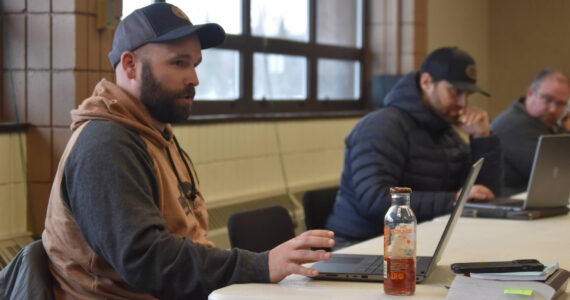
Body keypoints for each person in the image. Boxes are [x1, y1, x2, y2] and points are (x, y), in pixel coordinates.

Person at [41, 3, 333, 299]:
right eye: (179, 63)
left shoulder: (156, 134)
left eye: (195, 64)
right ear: (130, 65)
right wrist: (259, 265)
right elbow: (148, 260)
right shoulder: (106, 144)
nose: (194, 78)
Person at [325, 47, 503, 248]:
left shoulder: (445, 131)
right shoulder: (382, 126)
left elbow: (483, 194)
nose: (463, 103)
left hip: (416, 240)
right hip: (361, 244)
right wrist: (452, 200)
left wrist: (482, 139)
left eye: (467, 94)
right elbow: (375, 200)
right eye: (455, 92)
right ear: (426, 82)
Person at [490, 68, 570, 195]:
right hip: (508, 203)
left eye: (561, 104)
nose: (553, 109)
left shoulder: (546, 123)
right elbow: (554, 175)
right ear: (530, 93)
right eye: (547, 99)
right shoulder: (512, 124)